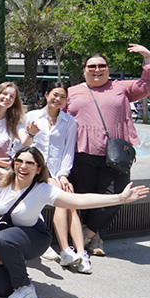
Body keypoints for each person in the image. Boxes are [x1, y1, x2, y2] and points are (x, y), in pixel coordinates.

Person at [0, 147, 149, 298]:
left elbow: (80, 200)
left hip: (34, 237)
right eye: (19, 161)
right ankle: (14, 269)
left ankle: (26, 287)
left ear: (38, 169)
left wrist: (119, 198)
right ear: (13, 163)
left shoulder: (42, 190)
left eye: (30, 163)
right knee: (0, 289)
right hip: (5, 238)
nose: (23, 166)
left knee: (6, 238)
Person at [64, 44, 150, 256]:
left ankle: (88, 232)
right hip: (82, 152)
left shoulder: (121, 87)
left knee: (117, 193)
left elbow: (148, 84)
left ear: (108, 69)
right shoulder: (72, 92)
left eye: (102, 66)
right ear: (84, 70)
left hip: (115, 153)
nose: (97, 70)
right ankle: (95, 238)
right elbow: (55, 116)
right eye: (92, 66)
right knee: (84, 195)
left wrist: (149, 56)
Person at [24, 82, 88, 272]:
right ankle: (65, 249)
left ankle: (81, 252)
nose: (57, 99)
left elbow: (68, 151)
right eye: (55, 95)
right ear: (46, 95)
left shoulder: (69, 122)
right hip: (34, 170)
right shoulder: (32, 116)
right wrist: (30, 133)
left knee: (71, 202)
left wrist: (64, 175)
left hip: (56, 172)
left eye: (62, 96)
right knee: (63, 199)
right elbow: (22, 144)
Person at [0, 82, 31, 181]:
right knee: (1, 176)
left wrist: (31, 133)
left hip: (6, 165)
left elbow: (26, 142)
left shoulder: (14, 121)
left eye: (12, 96)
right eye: (4, 93)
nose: (7, 98)